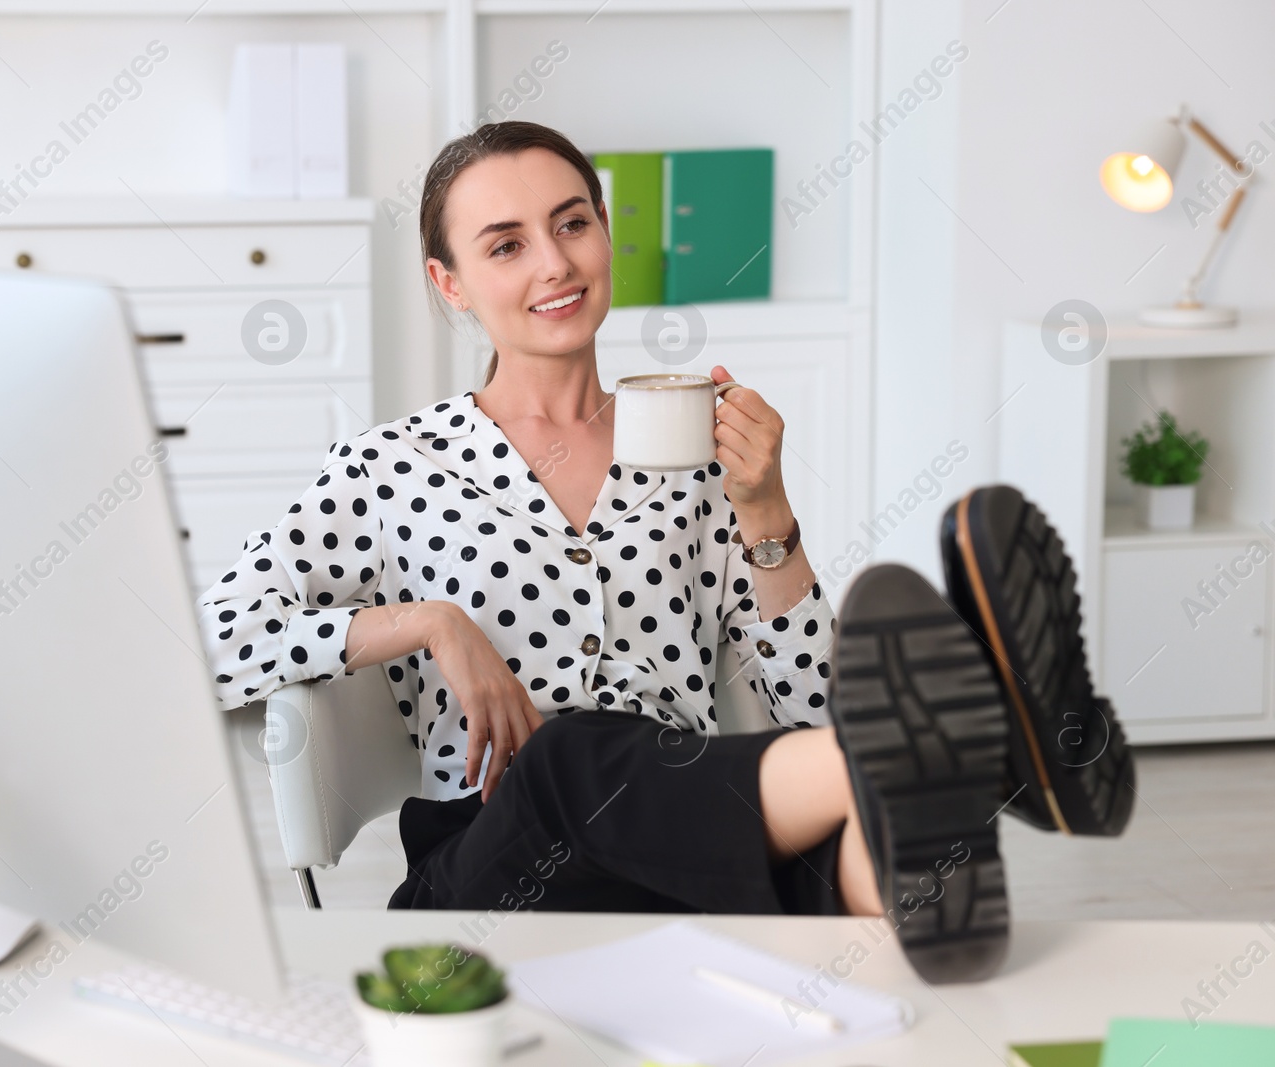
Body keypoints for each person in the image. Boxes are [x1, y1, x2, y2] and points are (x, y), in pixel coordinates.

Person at [201, 121, 1134, 984]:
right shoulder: (390, 466)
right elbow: (215, 637)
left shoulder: (690, 451)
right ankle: (998, 748)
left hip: (689, 853)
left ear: (607, 235)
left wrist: (765, 505)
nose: (555, 262)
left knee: (871, 835)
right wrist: (433, 623)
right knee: (565, 757)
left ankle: (933, 837)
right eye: (506, 244)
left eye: (573, 223)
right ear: (450, 282)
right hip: (490, 874)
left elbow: (815, 707)